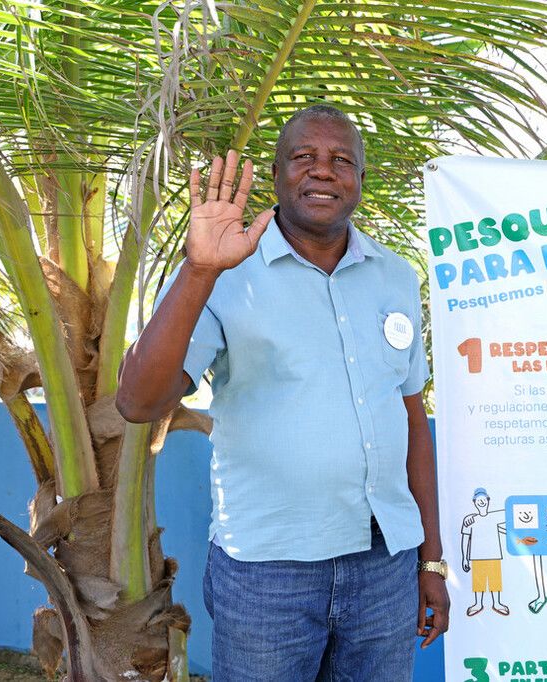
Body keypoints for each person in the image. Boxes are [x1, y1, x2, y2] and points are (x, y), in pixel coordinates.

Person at [116, 104, 449, 681]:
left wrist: (432, 561)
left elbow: (412, 421)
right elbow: (138, 403)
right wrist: (198, 271)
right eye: (305, 157)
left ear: (360, 182)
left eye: (342, 160)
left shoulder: (396, 276)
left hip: (383, 564)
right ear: (275, 176)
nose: (324, 171)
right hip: (268, 572)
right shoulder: (220, 273)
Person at [459, 488, 508, 616]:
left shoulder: (495, 516)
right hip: (476, 557)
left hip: (494, 556)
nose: (481, 502)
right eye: (478, 500)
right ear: (474, 502)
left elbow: (511, 513)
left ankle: (497, 603)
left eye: (483, 499)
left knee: (495, 581)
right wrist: (465, 558)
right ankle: (478, 604)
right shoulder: (469, 520)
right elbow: (465, 538)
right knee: (478, 583)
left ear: (488, 500)